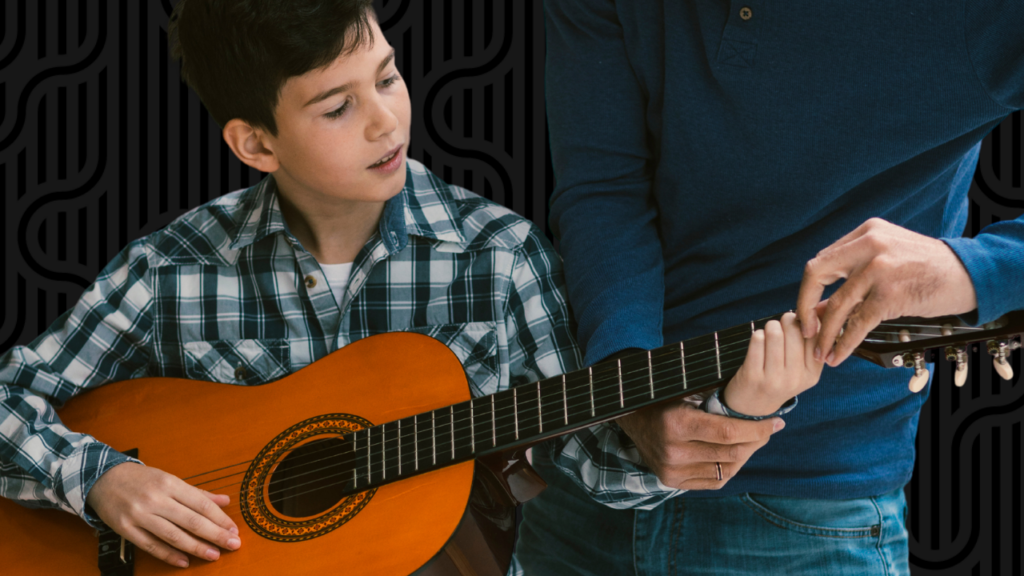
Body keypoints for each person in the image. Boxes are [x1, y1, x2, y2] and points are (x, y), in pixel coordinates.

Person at [0, 1, 818, 573]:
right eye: (336, 108)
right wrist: (102, 479)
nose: (386, 121)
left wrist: (722, 419)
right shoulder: (171, 270)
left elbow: (604, 466)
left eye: (387, 78)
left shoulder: (496, 259)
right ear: (255, 144)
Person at [517, 0, 1024, 574]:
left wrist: (971, 269)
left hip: (813, 509)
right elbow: (602, 186)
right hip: (588, 470)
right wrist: (627, 387)